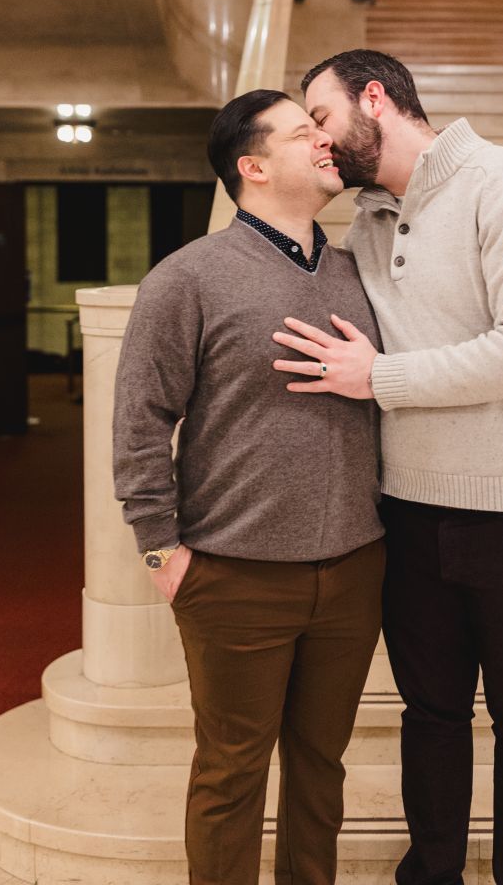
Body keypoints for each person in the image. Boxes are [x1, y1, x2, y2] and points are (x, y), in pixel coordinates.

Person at [271, 49, 503, 885]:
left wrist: (381, 380)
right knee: (432, 713)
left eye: (321, 116)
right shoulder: (366, 223)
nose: (316, 138)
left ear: (374, 98)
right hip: (409, 511)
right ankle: (433, 873)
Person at [112, 88, 385, 885]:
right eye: (307, 133)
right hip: (233, 575)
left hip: (355, 569)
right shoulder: (188, 277)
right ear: (253, 167)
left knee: (320, 766)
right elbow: (138, 420)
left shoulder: (355, 273)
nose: (326, 143)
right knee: (232, 773)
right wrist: (162, 551)